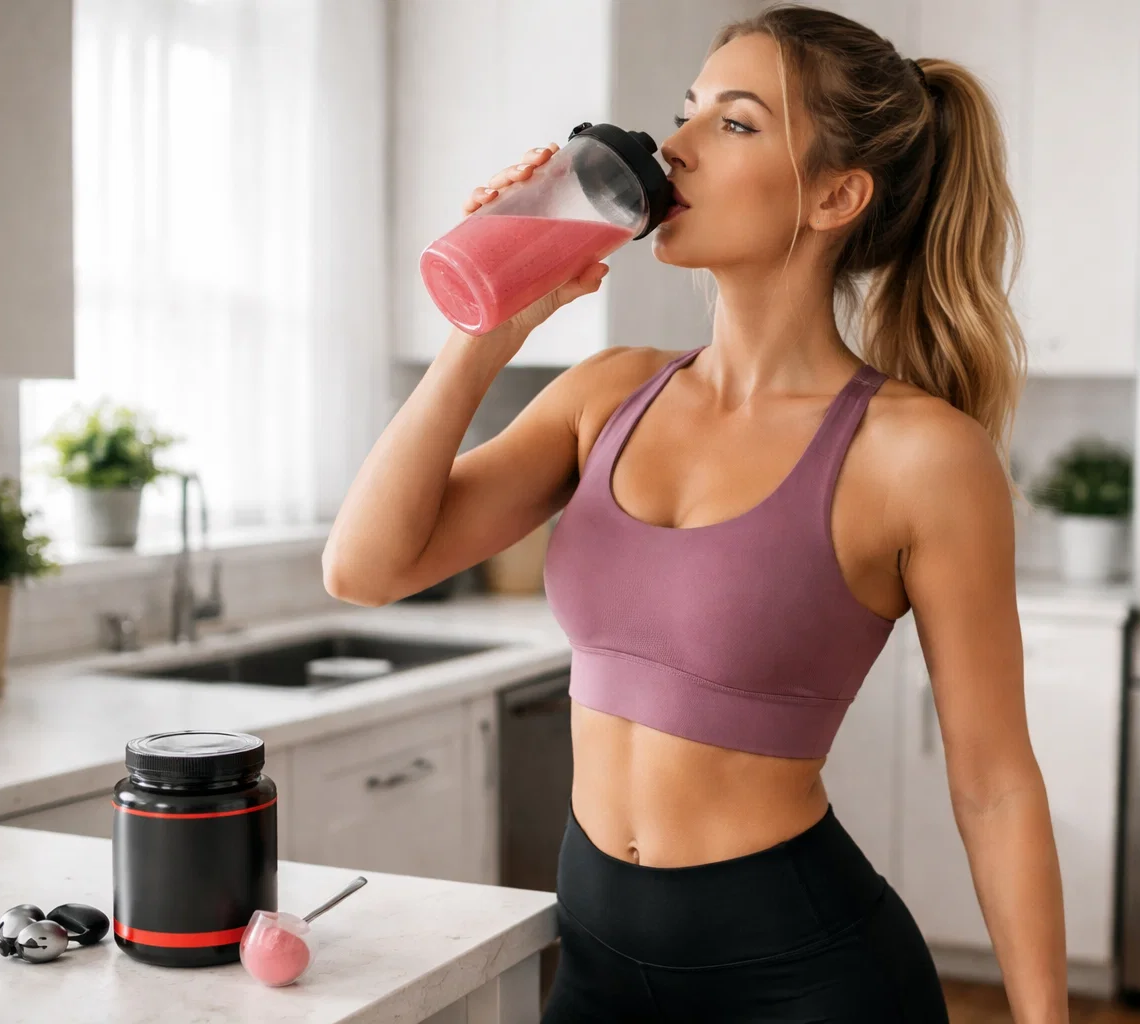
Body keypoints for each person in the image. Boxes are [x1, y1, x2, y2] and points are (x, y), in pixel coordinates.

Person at [323, 3, 1067, 1021]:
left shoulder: (918, 454)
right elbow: (365, 568)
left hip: (804, 978)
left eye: (737, 122)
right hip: (594, 965)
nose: (673, 147)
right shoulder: (607, 394)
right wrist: (486, 326)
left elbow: (994, 783)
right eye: (687, 110)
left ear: (837, 195)